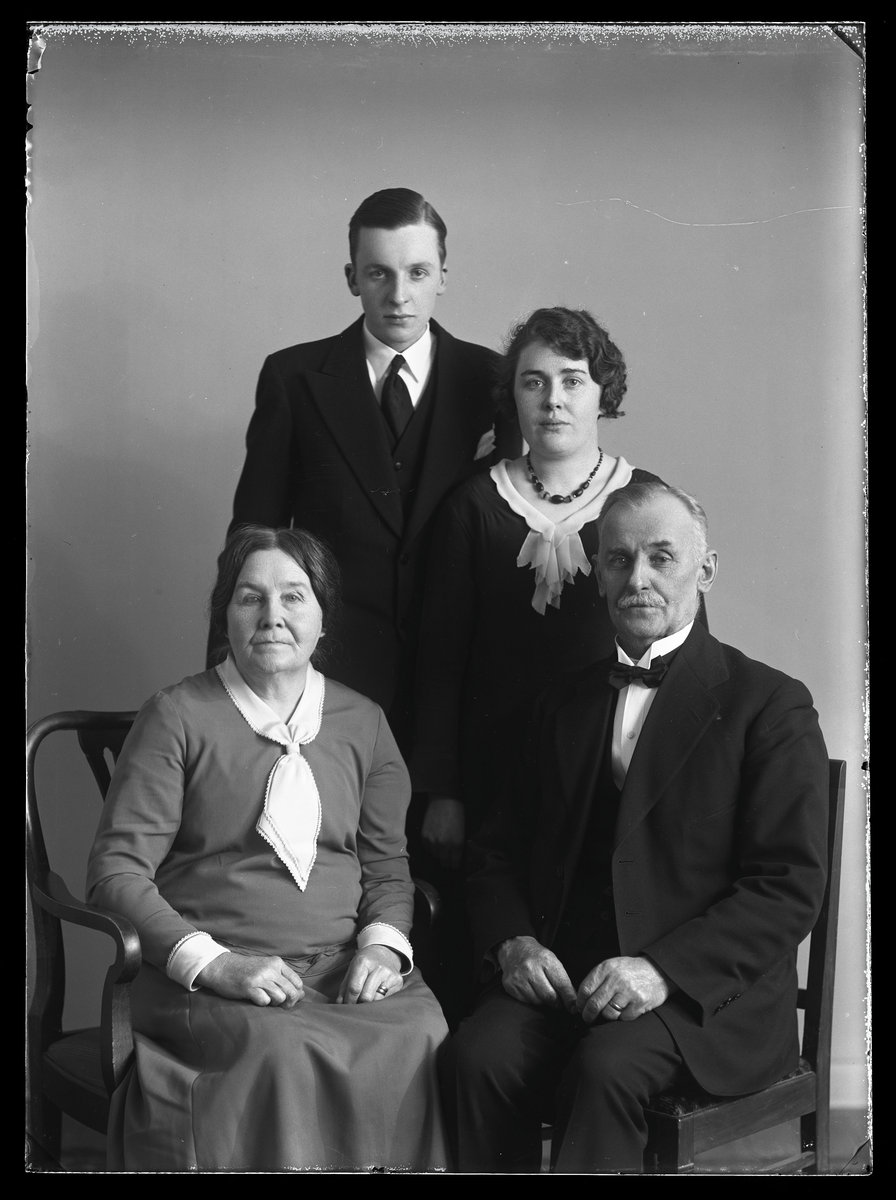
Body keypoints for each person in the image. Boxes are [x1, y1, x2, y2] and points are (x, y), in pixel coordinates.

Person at [439, 480, 829, 1173]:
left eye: (661, 557)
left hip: (704, 998)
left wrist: (662, 971)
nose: (638, 578)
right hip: (570, 978)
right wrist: (512, 943)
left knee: (605, 1068)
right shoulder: (559, 703)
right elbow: (497, 851)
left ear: (705, 570)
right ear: (599, 575)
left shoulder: (770, 704)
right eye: (619, 560)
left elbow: (788, 886)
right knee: (477, 1055)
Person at [88, 526, 448, 1172]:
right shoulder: (176, 716)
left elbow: (387, 868)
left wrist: (381, 947)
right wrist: (218, 965)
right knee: (280, 1051)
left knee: (423, 1032)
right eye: (250, 597)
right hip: (213, 981)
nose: (272, 616)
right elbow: (116, 873)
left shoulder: (365, 724)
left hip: (339, 970)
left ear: (322, 618)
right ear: (224, 614)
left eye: (294, 596)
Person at [221, 188, 516, 756]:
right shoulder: (294, 378)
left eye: (418, 272)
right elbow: (250, 541)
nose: (399, 295)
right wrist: (231, 685)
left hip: (457, 676)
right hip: (327, 674)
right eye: (379, 273)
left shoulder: (493, 380)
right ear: (352, 277)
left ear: (443, 277)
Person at [410, 307, 666, 879]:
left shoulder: (646, 503)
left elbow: (680, 648)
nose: (553, 400)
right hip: (493, 772)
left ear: (602, 393)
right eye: (534, 382)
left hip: (611, 771)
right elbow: (440, 661)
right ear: (515, 396)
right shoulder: (473, 505)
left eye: (573, 381)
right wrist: (443, 792)